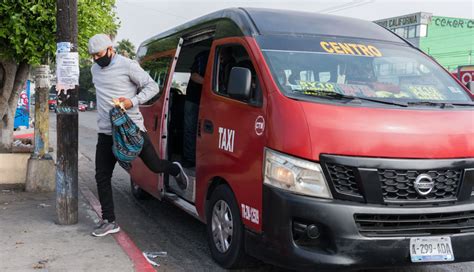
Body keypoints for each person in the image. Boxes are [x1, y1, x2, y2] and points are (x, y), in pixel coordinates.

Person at [88, 33, 188, 237]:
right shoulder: (94, 69)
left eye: (99, 55)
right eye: (93, 56)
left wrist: (131, 102)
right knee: (101, 175)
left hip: (131, 129)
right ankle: (109, 220)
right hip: (106, 132)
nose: (96, 60)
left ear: (110, 49)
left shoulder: (127, 65)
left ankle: (174, 169)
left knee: (154, 166)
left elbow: (152, 86)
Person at [182, 50, 209, 168]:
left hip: (209, 101)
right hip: (194, 99)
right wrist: (210, 83)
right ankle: (189, 158)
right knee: (191, 129)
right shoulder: (204, 56)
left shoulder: (230, 59)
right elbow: (194, 76)